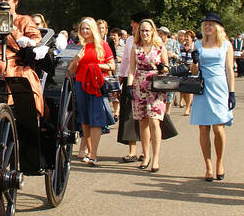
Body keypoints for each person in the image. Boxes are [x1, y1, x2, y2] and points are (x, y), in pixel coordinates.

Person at [189, 13, 235, 182]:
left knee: (218, 128)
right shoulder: (198, 44)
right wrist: (194, 61)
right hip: (203, 87)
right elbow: (193, 71)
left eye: (211, 24)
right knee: (203, 128)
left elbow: (229, 70)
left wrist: (232, 92)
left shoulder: (226, 45)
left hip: (220, 87)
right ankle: (208, 166)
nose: (208, 27)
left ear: (218, 27)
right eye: (205, 24)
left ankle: (219, 162)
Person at [68, 17, 116, 166]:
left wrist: (97, 66)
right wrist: (76, 60)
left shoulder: (103, 45)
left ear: (93, 29)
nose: (84, 31)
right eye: (82, 28)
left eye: (87, 28)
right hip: (81, 84)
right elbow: (70, 71)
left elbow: (112, 66)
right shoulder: (78, 46)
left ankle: (93, 154)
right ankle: (89, 151)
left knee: (96, 118)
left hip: (96, 84)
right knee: (84, 118)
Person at [127, 19, 169, 172]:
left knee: (154, 120)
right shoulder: (135, 47)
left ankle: (156, 157)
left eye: (147, 31)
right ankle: (146, 155)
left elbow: (167, 68)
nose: (145, 33)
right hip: (139, 84)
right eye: (142, 31)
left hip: (156, 86)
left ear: (153, 32)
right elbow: (132, 69)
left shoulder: (159, 46)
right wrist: (129, 86)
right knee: (142, 121)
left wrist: (162, 67)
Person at [117, 11, 149, 162]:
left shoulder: (153, 41)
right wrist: (121, 81)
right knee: (129, 117)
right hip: (131, 82)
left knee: (147, 117)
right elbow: (125, 62)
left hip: (147, 83)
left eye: (133, 22)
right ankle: (132, 151)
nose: (131, 25)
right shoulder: (130, 40)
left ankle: (145, 151)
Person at [179, 30, 197, 116]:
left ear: (192, 38)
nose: (186, 38)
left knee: (189, 89)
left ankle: (188, 108)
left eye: (187, 37)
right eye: (185, 36)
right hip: (183, 70)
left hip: (191, 70)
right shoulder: (181, 46)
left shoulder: (194, 47)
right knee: (184, 90)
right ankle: (188, 105)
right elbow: (179, 57)